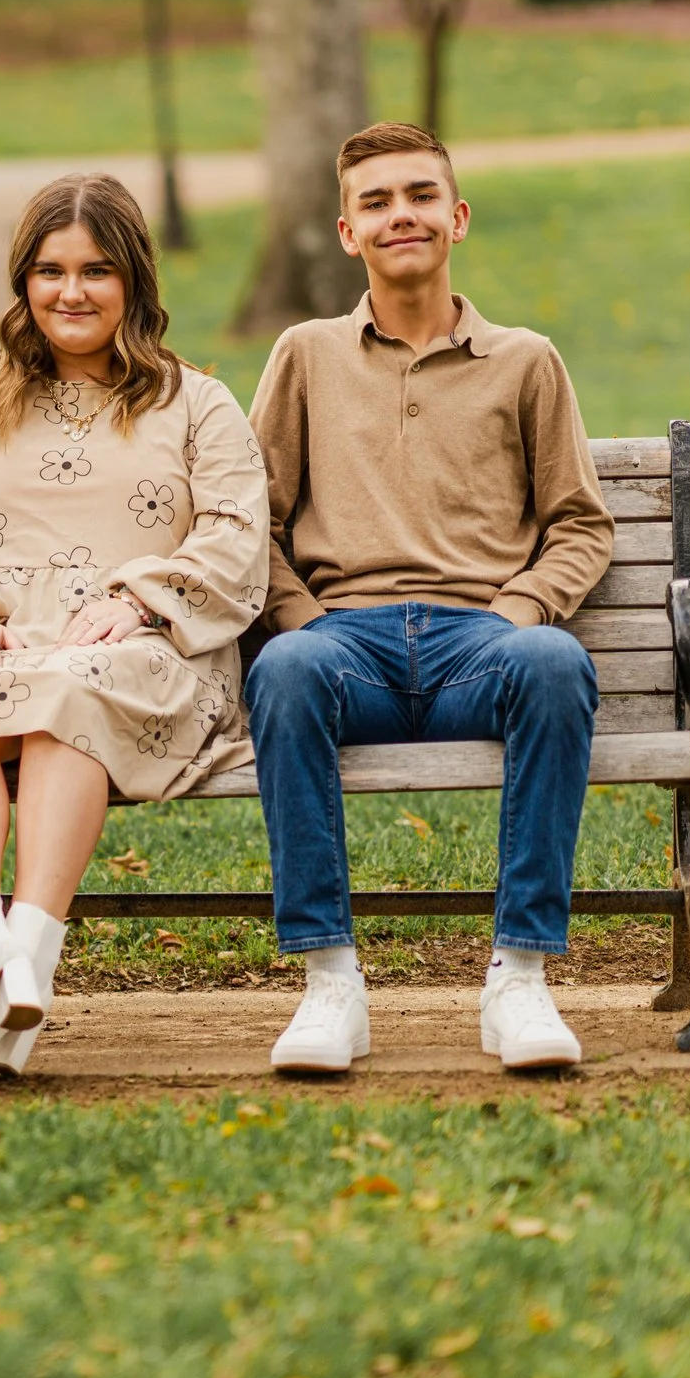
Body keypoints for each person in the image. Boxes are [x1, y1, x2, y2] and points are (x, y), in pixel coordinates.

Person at [244, 120, 614, 1076]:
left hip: (480, 646)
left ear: (458, 218)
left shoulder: (526, 360)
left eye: (419, 195)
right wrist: (301, 619)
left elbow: (581, 523)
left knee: (555, 663)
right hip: (346, 646)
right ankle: (330, 982)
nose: (399, 214)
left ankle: (519, 976)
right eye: (375, 202)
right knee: (284, 669)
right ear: (347, 232)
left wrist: (519, 612)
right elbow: (252, 521)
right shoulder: (305, 355)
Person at [0, 173, 269, 1077]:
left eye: (96, 270)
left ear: (133, 280)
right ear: (24, 282)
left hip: (150, 648)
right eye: (50, 271)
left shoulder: (195, 402)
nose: (71, 292)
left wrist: (138, 600)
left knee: (72, 685)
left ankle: (28, 958)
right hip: (8, 644)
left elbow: (234, 534)